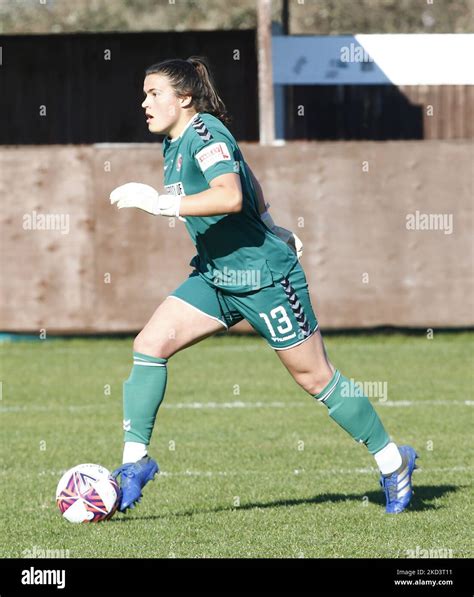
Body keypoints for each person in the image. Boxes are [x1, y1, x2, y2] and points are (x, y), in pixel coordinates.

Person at [109, 56, 417, 515]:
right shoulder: (174, 143)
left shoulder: (205, 133)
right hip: (217, 275)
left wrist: (160, 205)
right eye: (145, 93)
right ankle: (135, 463)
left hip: (266, 279)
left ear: (185, 98)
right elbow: (248, 176)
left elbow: (230, 194)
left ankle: (394, 462)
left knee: (315, 377)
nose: (145, 103)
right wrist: (272, 223)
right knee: (149, 345)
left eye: (154, 94)